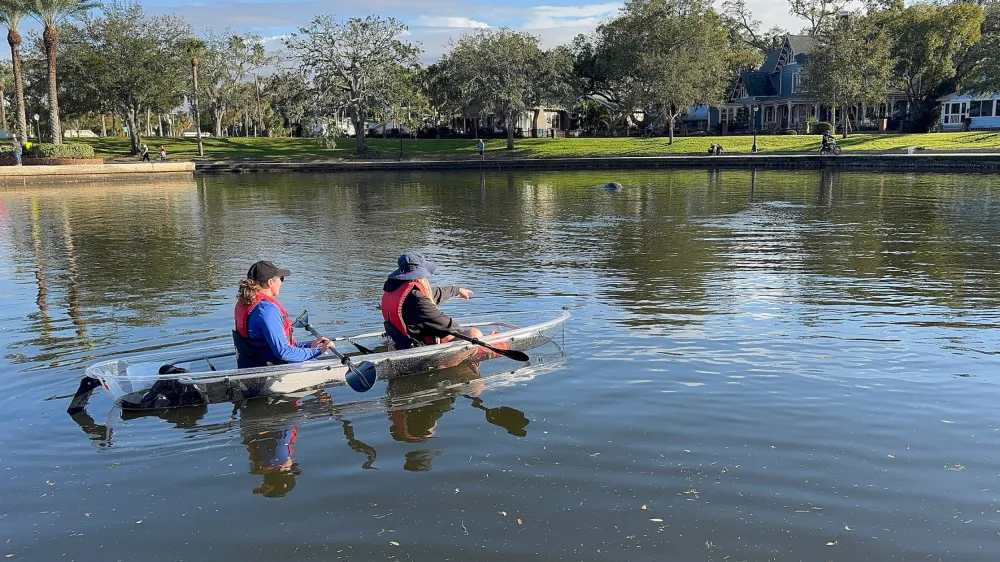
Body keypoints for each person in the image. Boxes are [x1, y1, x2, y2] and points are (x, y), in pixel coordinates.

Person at [233, 260, 333, 369]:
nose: (281, 282)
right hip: (269, 373)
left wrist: (310, 346)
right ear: (270, 282)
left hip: (250, 366)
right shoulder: (267, 310)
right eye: (281, 278)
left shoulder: (245, 302)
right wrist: (319, 351)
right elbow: (283, 352)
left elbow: (268, 345)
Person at [381, 252, 482, 350]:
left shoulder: (399, 290)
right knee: (474, 334)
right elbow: (446, 325)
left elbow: (434, 293)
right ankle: (452, 363)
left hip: (401, 344)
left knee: (446, 336)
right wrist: (468, 335)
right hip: (416, 351)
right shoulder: (418, 300)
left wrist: (457, 290)